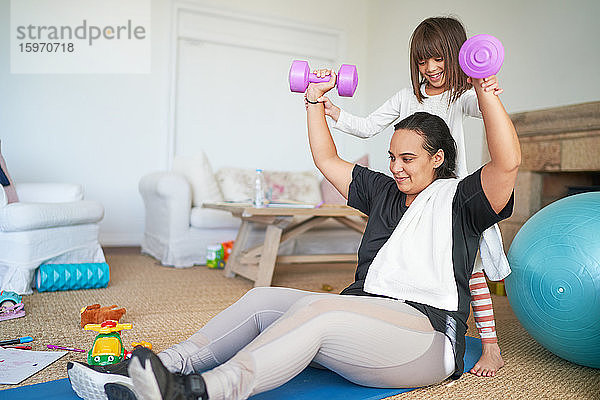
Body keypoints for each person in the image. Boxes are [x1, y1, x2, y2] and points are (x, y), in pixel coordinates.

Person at [67, 66, 520, 400]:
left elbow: (508, 164)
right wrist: (312, 100)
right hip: (365, 315)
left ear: (438, 159)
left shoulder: (461, 201)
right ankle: (157, 369)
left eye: (408, 159)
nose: (396, 168)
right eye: (391, 157)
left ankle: (202, 391)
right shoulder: (384, 191)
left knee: (322, 310)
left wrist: (486, 94)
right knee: (264, 299)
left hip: (426, 338)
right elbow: (326, 159)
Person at [310, 16, 505, 376]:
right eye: (421, 61)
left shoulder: (461, 97)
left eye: (438, 60)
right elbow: (368, 127)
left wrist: (484, 87)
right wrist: (330, 110)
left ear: (456, 56)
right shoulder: (407, 98)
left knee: (473, 270)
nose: (430, 68)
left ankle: (491, 347)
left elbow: (488, 113)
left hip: (454, 198)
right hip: (415, 201)